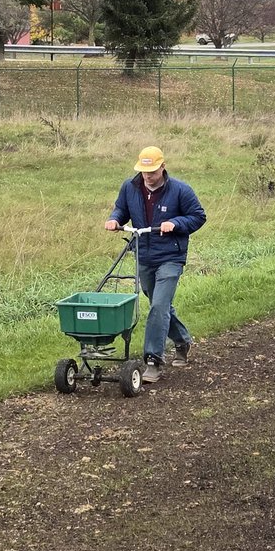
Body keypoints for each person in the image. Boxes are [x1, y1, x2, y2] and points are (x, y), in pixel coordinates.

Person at [105, 146, 206, 383]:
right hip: (144, 255)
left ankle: (153, 361)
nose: (147, 176)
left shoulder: (180, 190)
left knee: (159, 306)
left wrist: (176, 223)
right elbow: (121, 208)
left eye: (152, 171)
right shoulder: (130, 188)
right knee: (158, 304)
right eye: (143, 171)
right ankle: (182, 341)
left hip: (171, 256)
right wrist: (114, 219)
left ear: (163, 167)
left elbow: (198, 216)